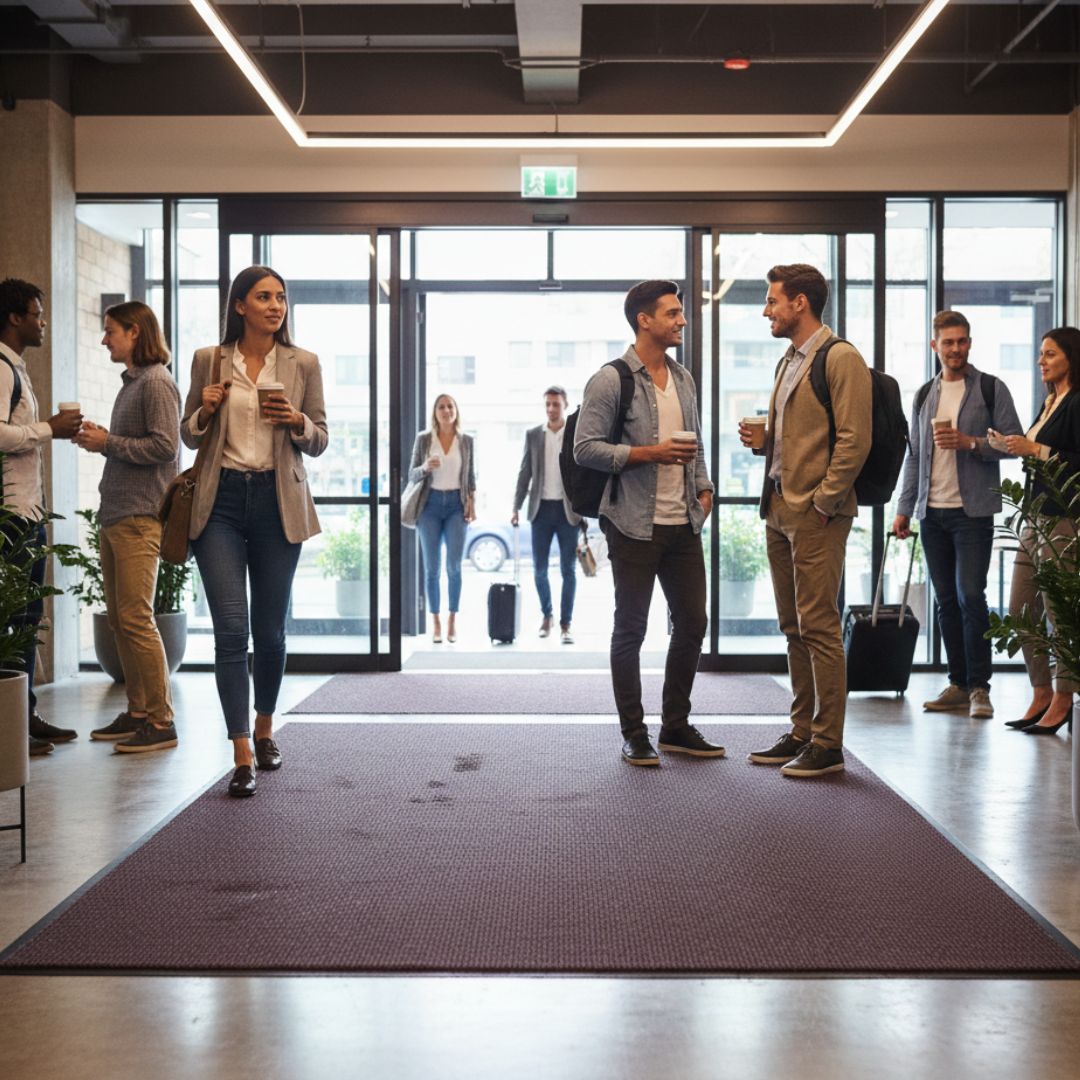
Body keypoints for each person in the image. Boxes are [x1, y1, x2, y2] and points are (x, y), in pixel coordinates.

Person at [182, 266, 327, 797]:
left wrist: (295, 420)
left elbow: (319, 439)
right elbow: (189, 433)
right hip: (219, 503)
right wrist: (208, 407)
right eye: (263, 297)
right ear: (239, 305)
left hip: (276, 501)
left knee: (269, 633)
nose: (275, 306)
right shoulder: (208, 361)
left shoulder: (303, 363)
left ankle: (266, 725)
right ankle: (240, 749)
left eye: (281, 298)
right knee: (229, 630)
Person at [575, 280, 718, 766]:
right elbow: (585, 448)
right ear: (645, 320)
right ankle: (634, 732)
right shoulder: (611, 380)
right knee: (631, 629)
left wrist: (705, 487)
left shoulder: (684, 379)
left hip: (684, 524)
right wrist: (648, 454)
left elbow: (695, 441)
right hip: (633, 525)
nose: (681, 320)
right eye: (672, 313)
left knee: (693, 623)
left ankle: (675, 725)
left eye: (680, 313)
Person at [739, 264, 871, 778]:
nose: (767, 310)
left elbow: (854, 441)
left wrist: (823, 501)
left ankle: (829, 743)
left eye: (773, 301)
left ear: (800, 303)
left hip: (816, 513)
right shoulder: (788, 361)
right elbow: (805, 434)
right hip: (778, 508)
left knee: (819, 627)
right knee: (793, 626)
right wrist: (768, 442)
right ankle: (802, 730)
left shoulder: (840, 358)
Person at [893, 311, 1022, 721]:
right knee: (946, 601)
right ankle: (958, 683)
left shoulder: (989, 388)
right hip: (932, 513)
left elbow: (1014, 442)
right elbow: (914, 457)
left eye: (961, 341)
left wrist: (970, 443)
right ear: (935, 346)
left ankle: (981, 688)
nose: (955, 349)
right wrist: (903, 509)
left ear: (969, 343)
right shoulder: (924, 395)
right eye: (947, 342)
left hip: (973, 514)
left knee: (971, 596)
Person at [75, 301, 181, 752]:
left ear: (135, 332)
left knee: (136, 619)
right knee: (122, 620)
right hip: (117, 514)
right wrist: (107, 441)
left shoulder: (156, 382)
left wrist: (107, 443)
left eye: (110, 331)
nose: (105, 340)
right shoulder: (133, 384)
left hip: (140, 517)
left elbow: (164, 447)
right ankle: (138, 711)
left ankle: (161, 721)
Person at [0, 278, 82, 757]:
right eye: (36, 313)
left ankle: (23, 716)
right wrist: (50, 427)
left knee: (29, 618)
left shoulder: (17, 368)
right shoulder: (1, 369)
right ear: (15, 317)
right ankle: (13, 724)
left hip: (28, 510)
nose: (43, 321)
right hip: (12, 515)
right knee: (17, 619)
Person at [1002, 326, 1080, 735]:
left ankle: (1065, 697)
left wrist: (1036, 450)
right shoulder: (1051, 401)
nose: (1041, 361)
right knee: (1021, 609)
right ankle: (1041, 691)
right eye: (1040, 354)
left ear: (1071, 357)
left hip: (1063, 518)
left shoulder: (1077, 401)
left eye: (1049, 354)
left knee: (1059, 610)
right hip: (1033, 514)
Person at [512, 385, 581, 644]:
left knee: (568, 570)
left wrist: (586, 507)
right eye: (548, 404)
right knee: (539, 571)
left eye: (556, 404)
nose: (551, 409)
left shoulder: (574, 434)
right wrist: (515, 507)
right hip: (540, 510)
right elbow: (524, 472)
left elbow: (584, 473)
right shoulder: (533, 435)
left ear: (565, 405)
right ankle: (547, 615)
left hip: (567, 512)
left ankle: (566, 624)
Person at [407, 394, 476, 644]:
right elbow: (412, 475)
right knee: (432, 568)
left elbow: (471, 477)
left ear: (456, 410)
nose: (446, 410)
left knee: (454, 567)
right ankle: (435, 622)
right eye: (441, 407)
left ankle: (451, 621)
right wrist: (425, 467)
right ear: (434, 412)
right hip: (430, 507)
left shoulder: (466, 440)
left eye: (450, 406)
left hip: (457, 507)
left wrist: (472, 504)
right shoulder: (424, 439)